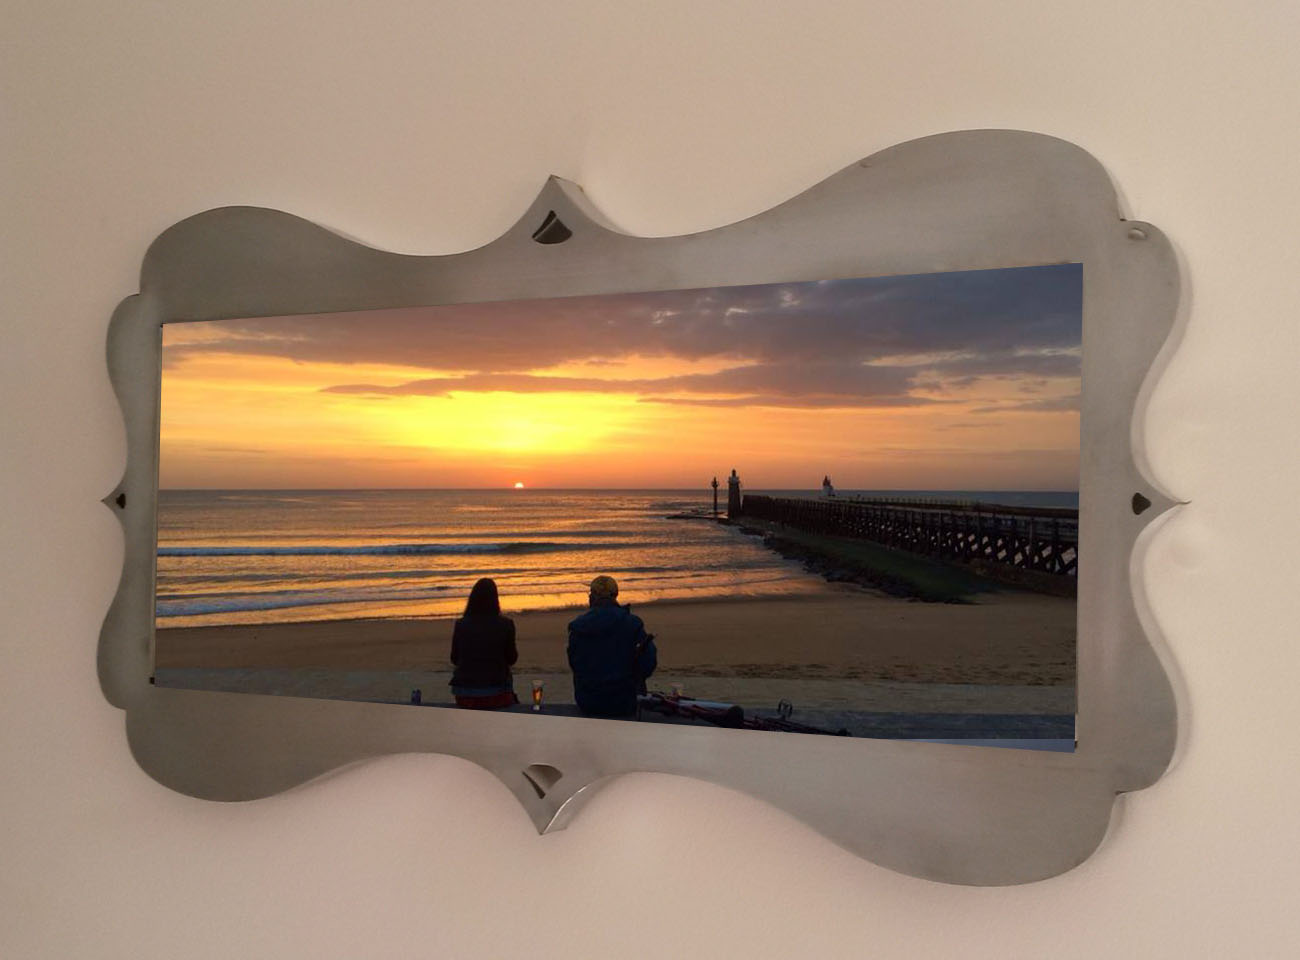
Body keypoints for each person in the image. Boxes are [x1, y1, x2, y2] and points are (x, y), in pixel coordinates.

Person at [566, 575, 657, 718]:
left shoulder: (578, 626)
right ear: (616, 595)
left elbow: (574, 663)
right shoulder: (633, 623)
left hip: (588, 702)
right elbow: (649, 663)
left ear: (592, 597)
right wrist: (635, 678)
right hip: (625, 702)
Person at [449, 578, 519, 709]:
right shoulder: (506, 624)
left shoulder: (461, 624)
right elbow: (512, 659)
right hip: (496, 693)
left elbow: (454, 658)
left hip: (465, 693)